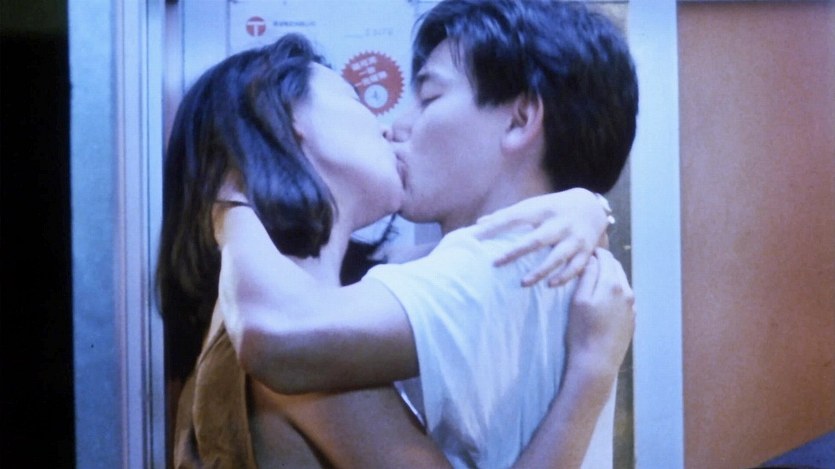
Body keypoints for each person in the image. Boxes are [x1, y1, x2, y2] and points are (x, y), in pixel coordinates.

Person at [158, 30, 633, 469]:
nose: (389, 128)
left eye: (430, 98)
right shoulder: (311, 354)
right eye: (355, 100)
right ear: (286, 119)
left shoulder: (298, 301)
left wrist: (587, 204)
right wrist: (590, 373)